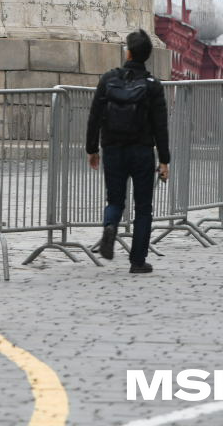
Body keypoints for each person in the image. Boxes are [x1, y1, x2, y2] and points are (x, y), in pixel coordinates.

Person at [86, 28, 171, 274]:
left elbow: (95, 116)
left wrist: (92, 148)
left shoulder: (108, 79)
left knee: (115, 200)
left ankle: (110, 224)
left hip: (112, 149)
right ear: (146, 56)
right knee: (143, 207)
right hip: (142, 151)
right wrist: (164, 160)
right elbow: (160, 126)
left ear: (128, 53)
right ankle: (137, 261)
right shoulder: (153, 86)